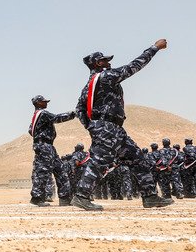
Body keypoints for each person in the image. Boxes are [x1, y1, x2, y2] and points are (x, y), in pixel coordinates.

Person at [72, 41, 173, 210]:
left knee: (138, 159)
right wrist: (154, 48)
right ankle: (81, 197)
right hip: (107, 127)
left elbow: (79, 109)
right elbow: (133, 66)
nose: (109, 62)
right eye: (105, 60)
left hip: (115, 129)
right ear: (98, 64)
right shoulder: (106, 77)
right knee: (98, 161)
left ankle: (150, 197)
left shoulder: (88, 86)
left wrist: (90, 126)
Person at [28, 95, 74, 207]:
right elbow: (57, 118)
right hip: (44, 146)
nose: (46, 103)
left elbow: (30, 130)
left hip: (48, 146)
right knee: (42, 172)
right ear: (38, 103)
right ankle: (37, 198)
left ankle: (64, 199)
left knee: (61, 170)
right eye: (43, 101)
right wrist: (73, 114)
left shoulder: (36, 116)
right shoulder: (43, 113)